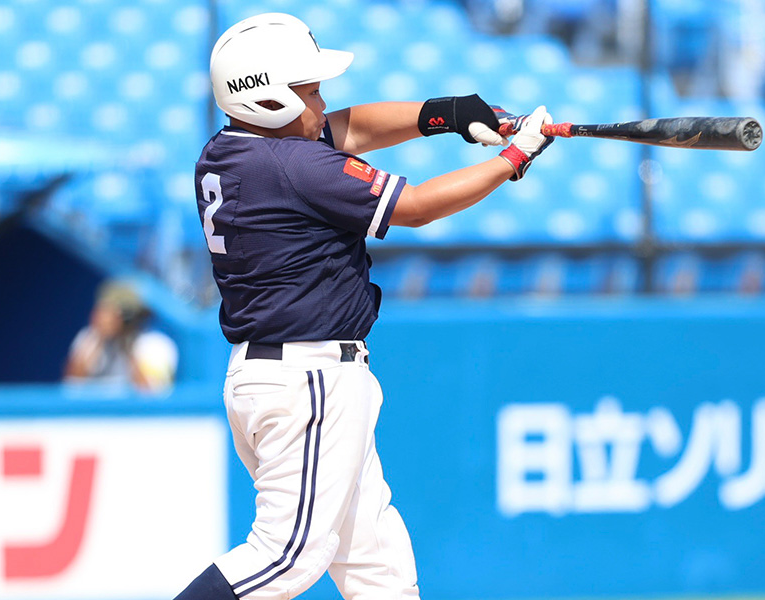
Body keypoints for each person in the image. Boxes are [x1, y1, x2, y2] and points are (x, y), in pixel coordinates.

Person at [176, 12, 553, 600]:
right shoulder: (291, 165)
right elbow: (418, 205)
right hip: (309, 379)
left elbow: (349, 129)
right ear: (266, 95)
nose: (323, 102)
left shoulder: (230, 151)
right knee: (284, 558)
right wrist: (513, 159)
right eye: (308, 90)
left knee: (379, 570)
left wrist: (446, 114)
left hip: (278, 375)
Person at [64, 279, 178, 392]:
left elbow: (151, 393)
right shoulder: (89, 338)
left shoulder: (155, 344)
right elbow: (72, 385)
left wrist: (127, 345)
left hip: (133, 410)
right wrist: (98, 338)